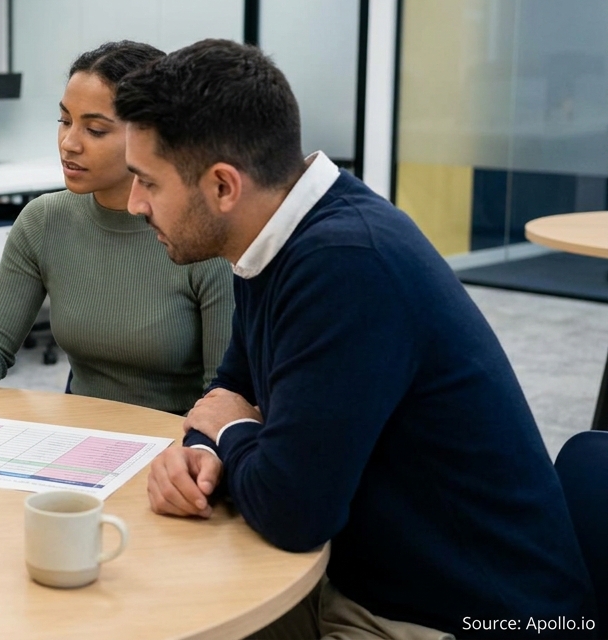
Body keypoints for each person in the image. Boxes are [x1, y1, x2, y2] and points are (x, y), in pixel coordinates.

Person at [121, 39, 595, 638]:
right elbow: (232, 389)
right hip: (370, 578)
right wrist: (201, 453)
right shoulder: (270, 235)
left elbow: (294, 511)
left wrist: (229, 431)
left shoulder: (344, 263)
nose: (135, 204)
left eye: (147, 182)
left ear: (222, 186)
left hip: (465, 615)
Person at [0, 41, 233, 413]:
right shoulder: (44, 220)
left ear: (152, 134)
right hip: (77, 441)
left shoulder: (201, 239)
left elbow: (224, 393)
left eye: (95, 130)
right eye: (65, 121)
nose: (69, 144)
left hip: (173, 449)